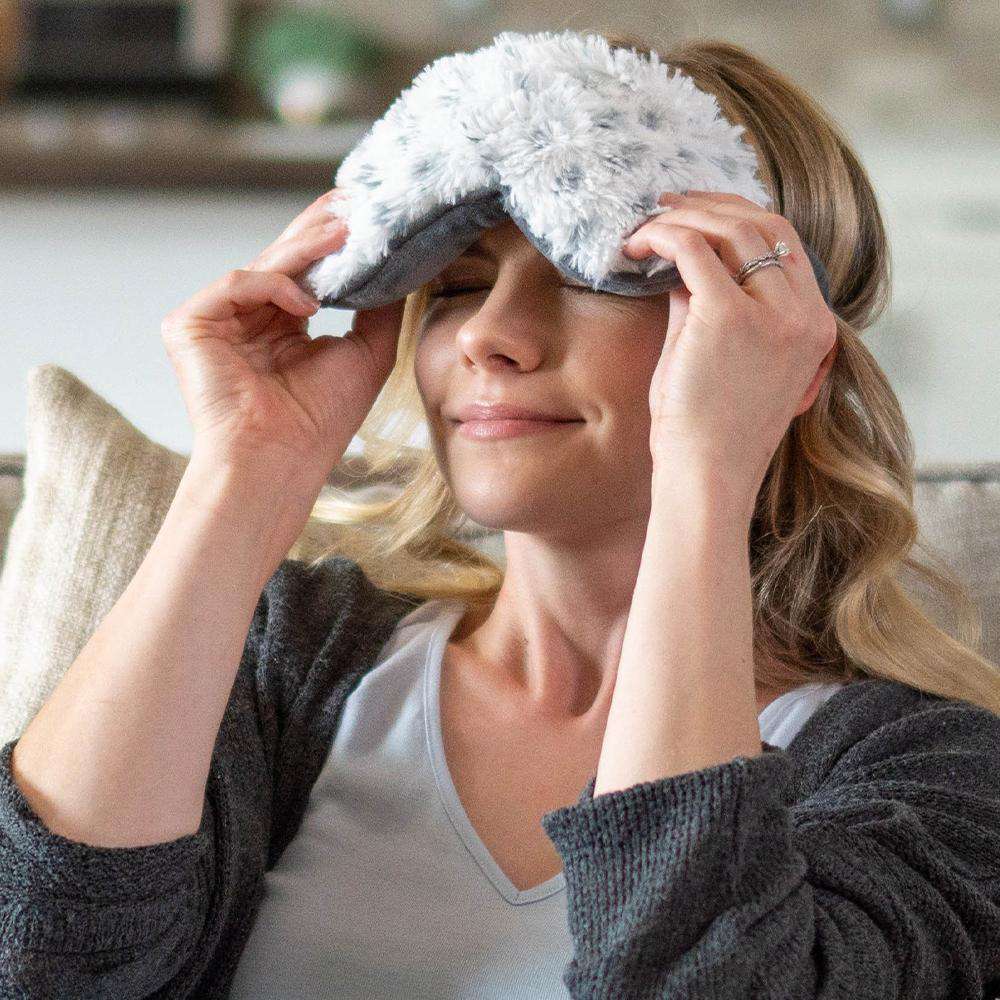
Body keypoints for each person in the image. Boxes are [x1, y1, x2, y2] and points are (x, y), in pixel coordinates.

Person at [3, 29, 1000, 1000]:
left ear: (783, 350)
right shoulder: (292, 661)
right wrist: (244, 472)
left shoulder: (934, 774)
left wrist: (705, 472)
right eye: (460, 284)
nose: (488, 333)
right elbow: (39, 959)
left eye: (593, 277)